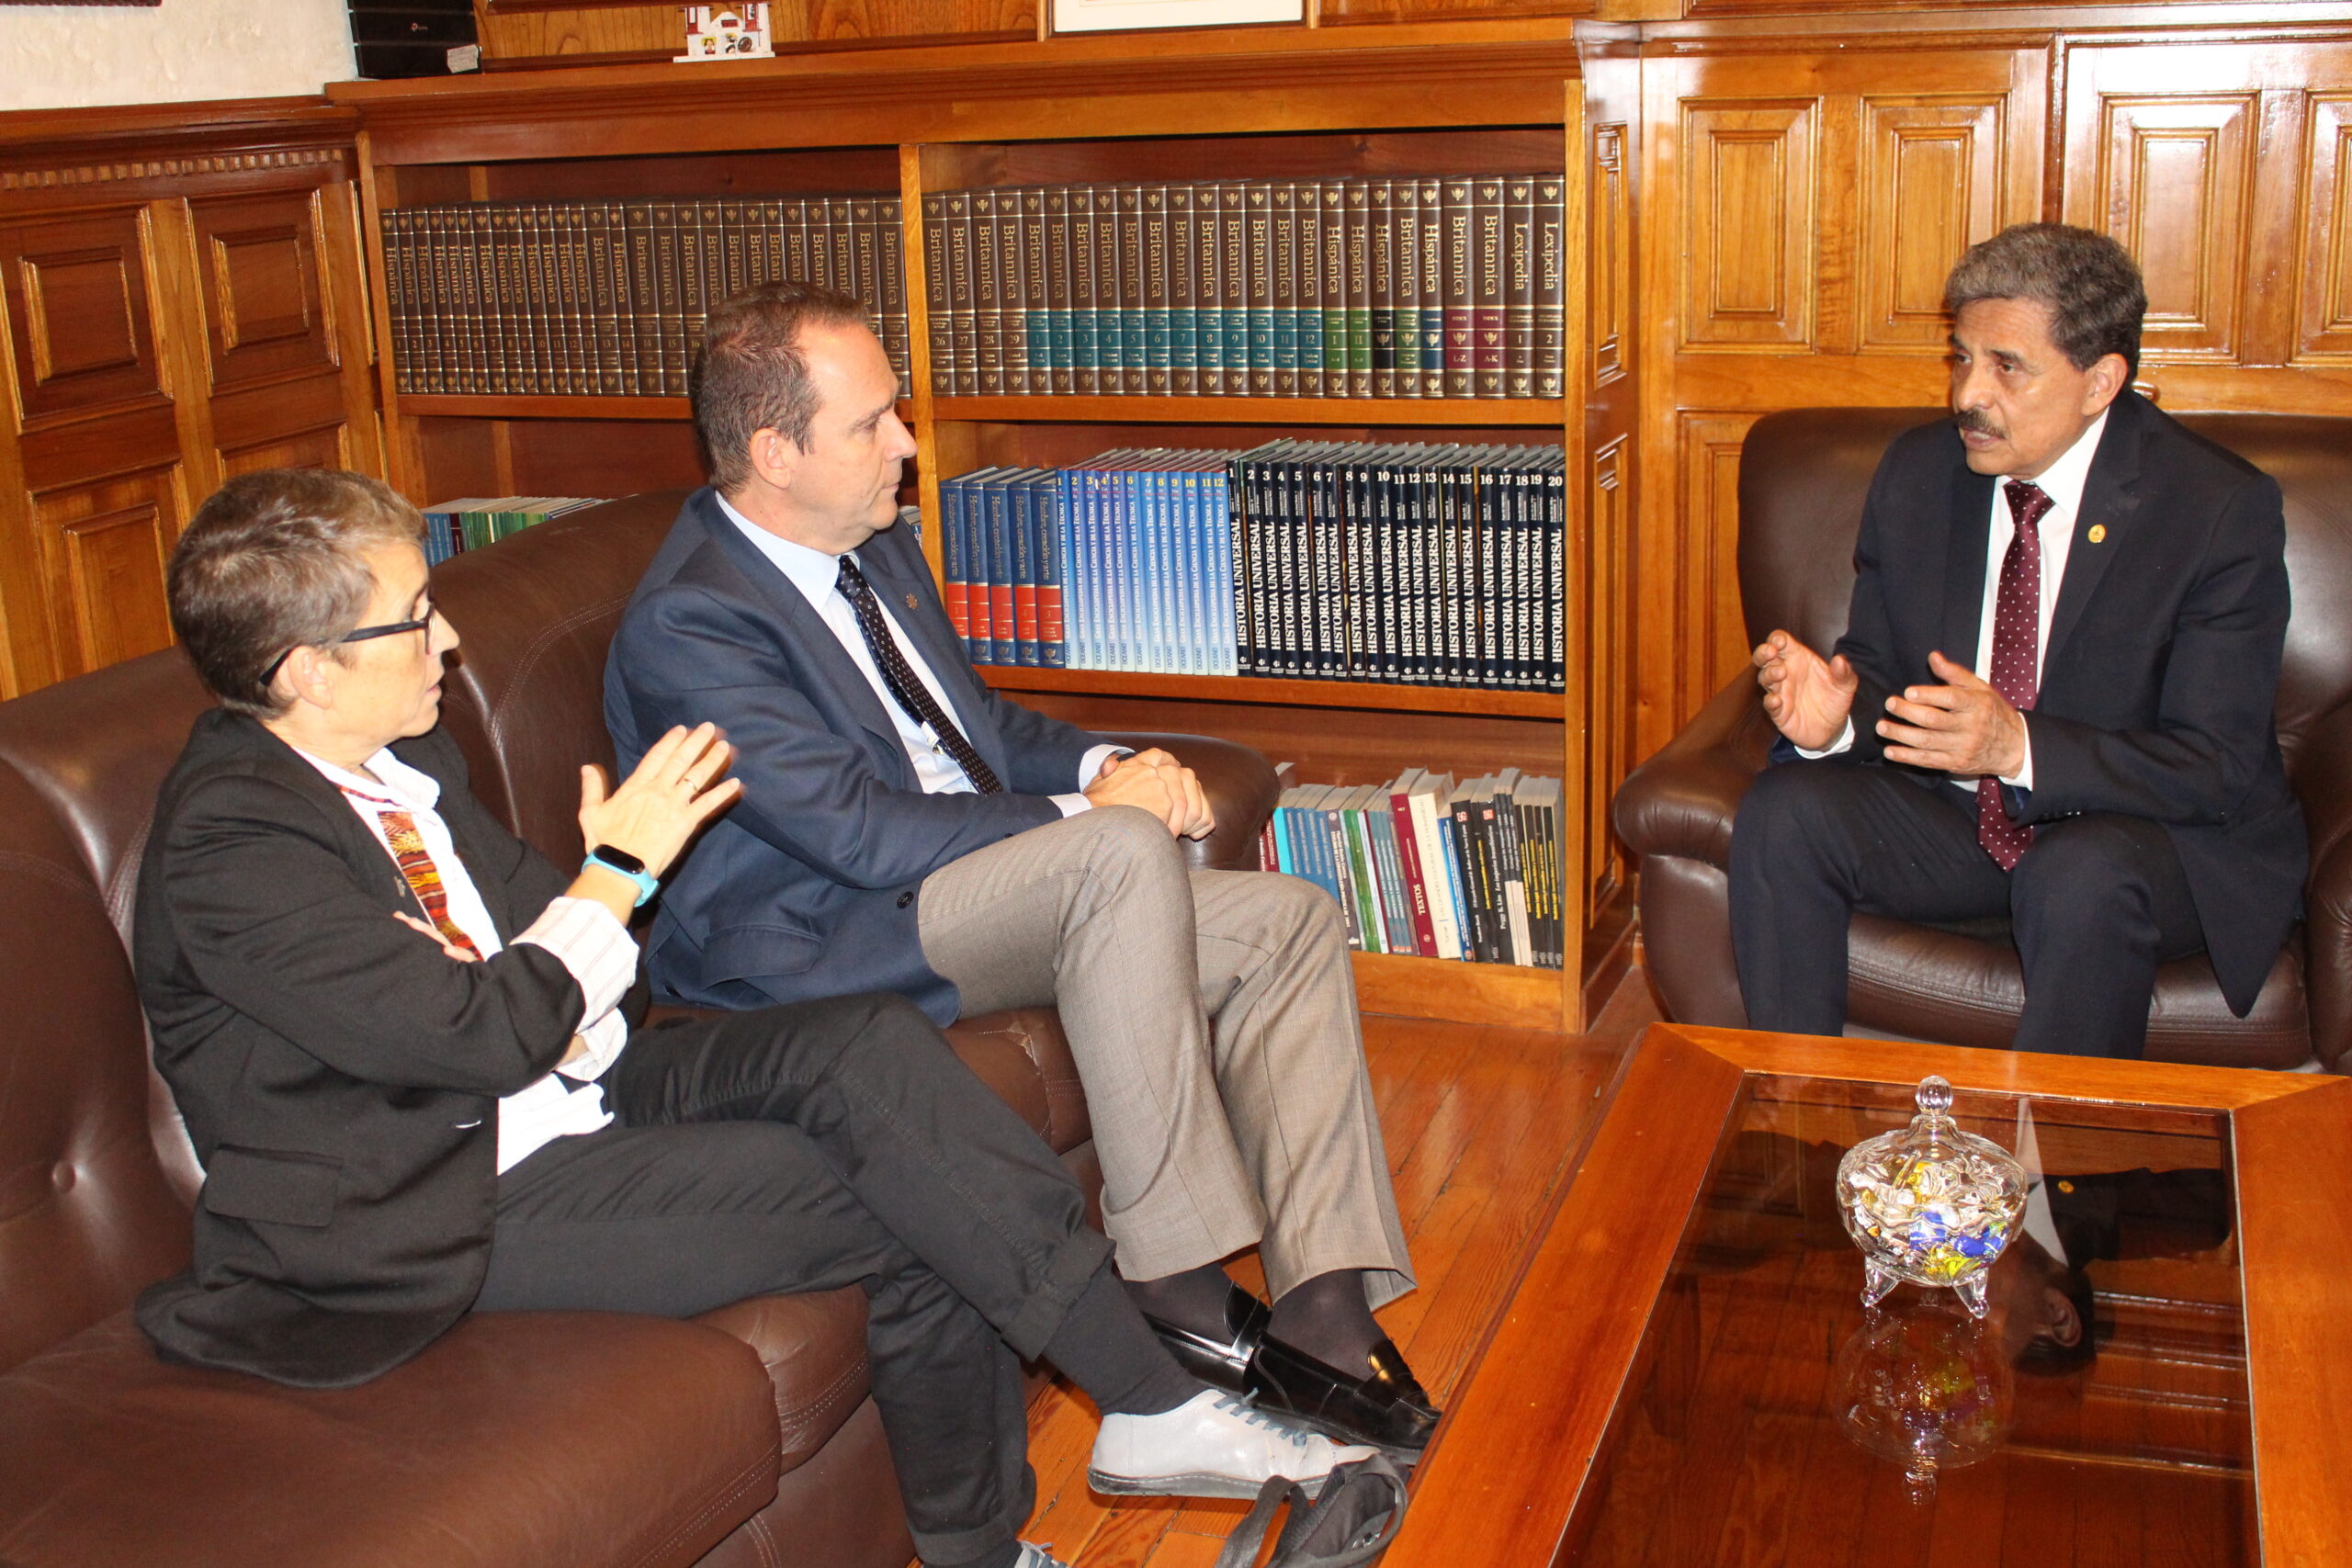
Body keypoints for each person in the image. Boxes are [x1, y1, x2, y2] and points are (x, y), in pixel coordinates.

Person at [134, 469, 1378, 1568]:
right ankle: (1083, 1466)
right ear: (306, 670)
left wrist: (575, 935)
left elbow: (558, 991)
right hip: (433, 1201)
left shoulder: (406, 766)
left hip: (566, 1088)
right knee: (906, 1194)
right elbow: (492, 1025)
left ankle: (1134, 1423)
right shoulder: (233, 842)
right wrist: (608, 884)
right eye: (414, 616)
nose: (446, 638)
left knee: (868, 1049)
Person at [604, 281, 1434, 1450]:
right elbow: (854, 834)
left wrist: (1109, 759)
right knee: (1114, 849)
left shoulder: (870, 548)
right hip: (824, 933)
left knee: (1288, 918)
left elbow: (977, 728)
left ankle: (1324, 1309)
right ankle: (1171, 1278)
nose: (906, 444)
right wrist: (1092, 808)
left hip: (962, 883)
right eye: (871, 424)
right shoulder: (694, 620)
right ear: (775, 453)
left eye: (897, 412)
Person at [1728, 223, 2306, 1057]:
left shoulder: (2214, 509)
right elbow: (1886, 673)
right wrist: (1838, 726)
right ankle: (1795, 1109)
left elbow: (2215, 765)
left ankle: (2049, 1141)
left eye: (2007, 367)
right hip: (1962, 821)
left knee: (2077, 874)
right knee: (1785, 812)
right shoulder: (1920, 473)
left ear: (2100, 382)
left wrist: (2019, 747)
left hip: (2148, 838)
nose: (1969, 394)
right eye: (1962, 358)